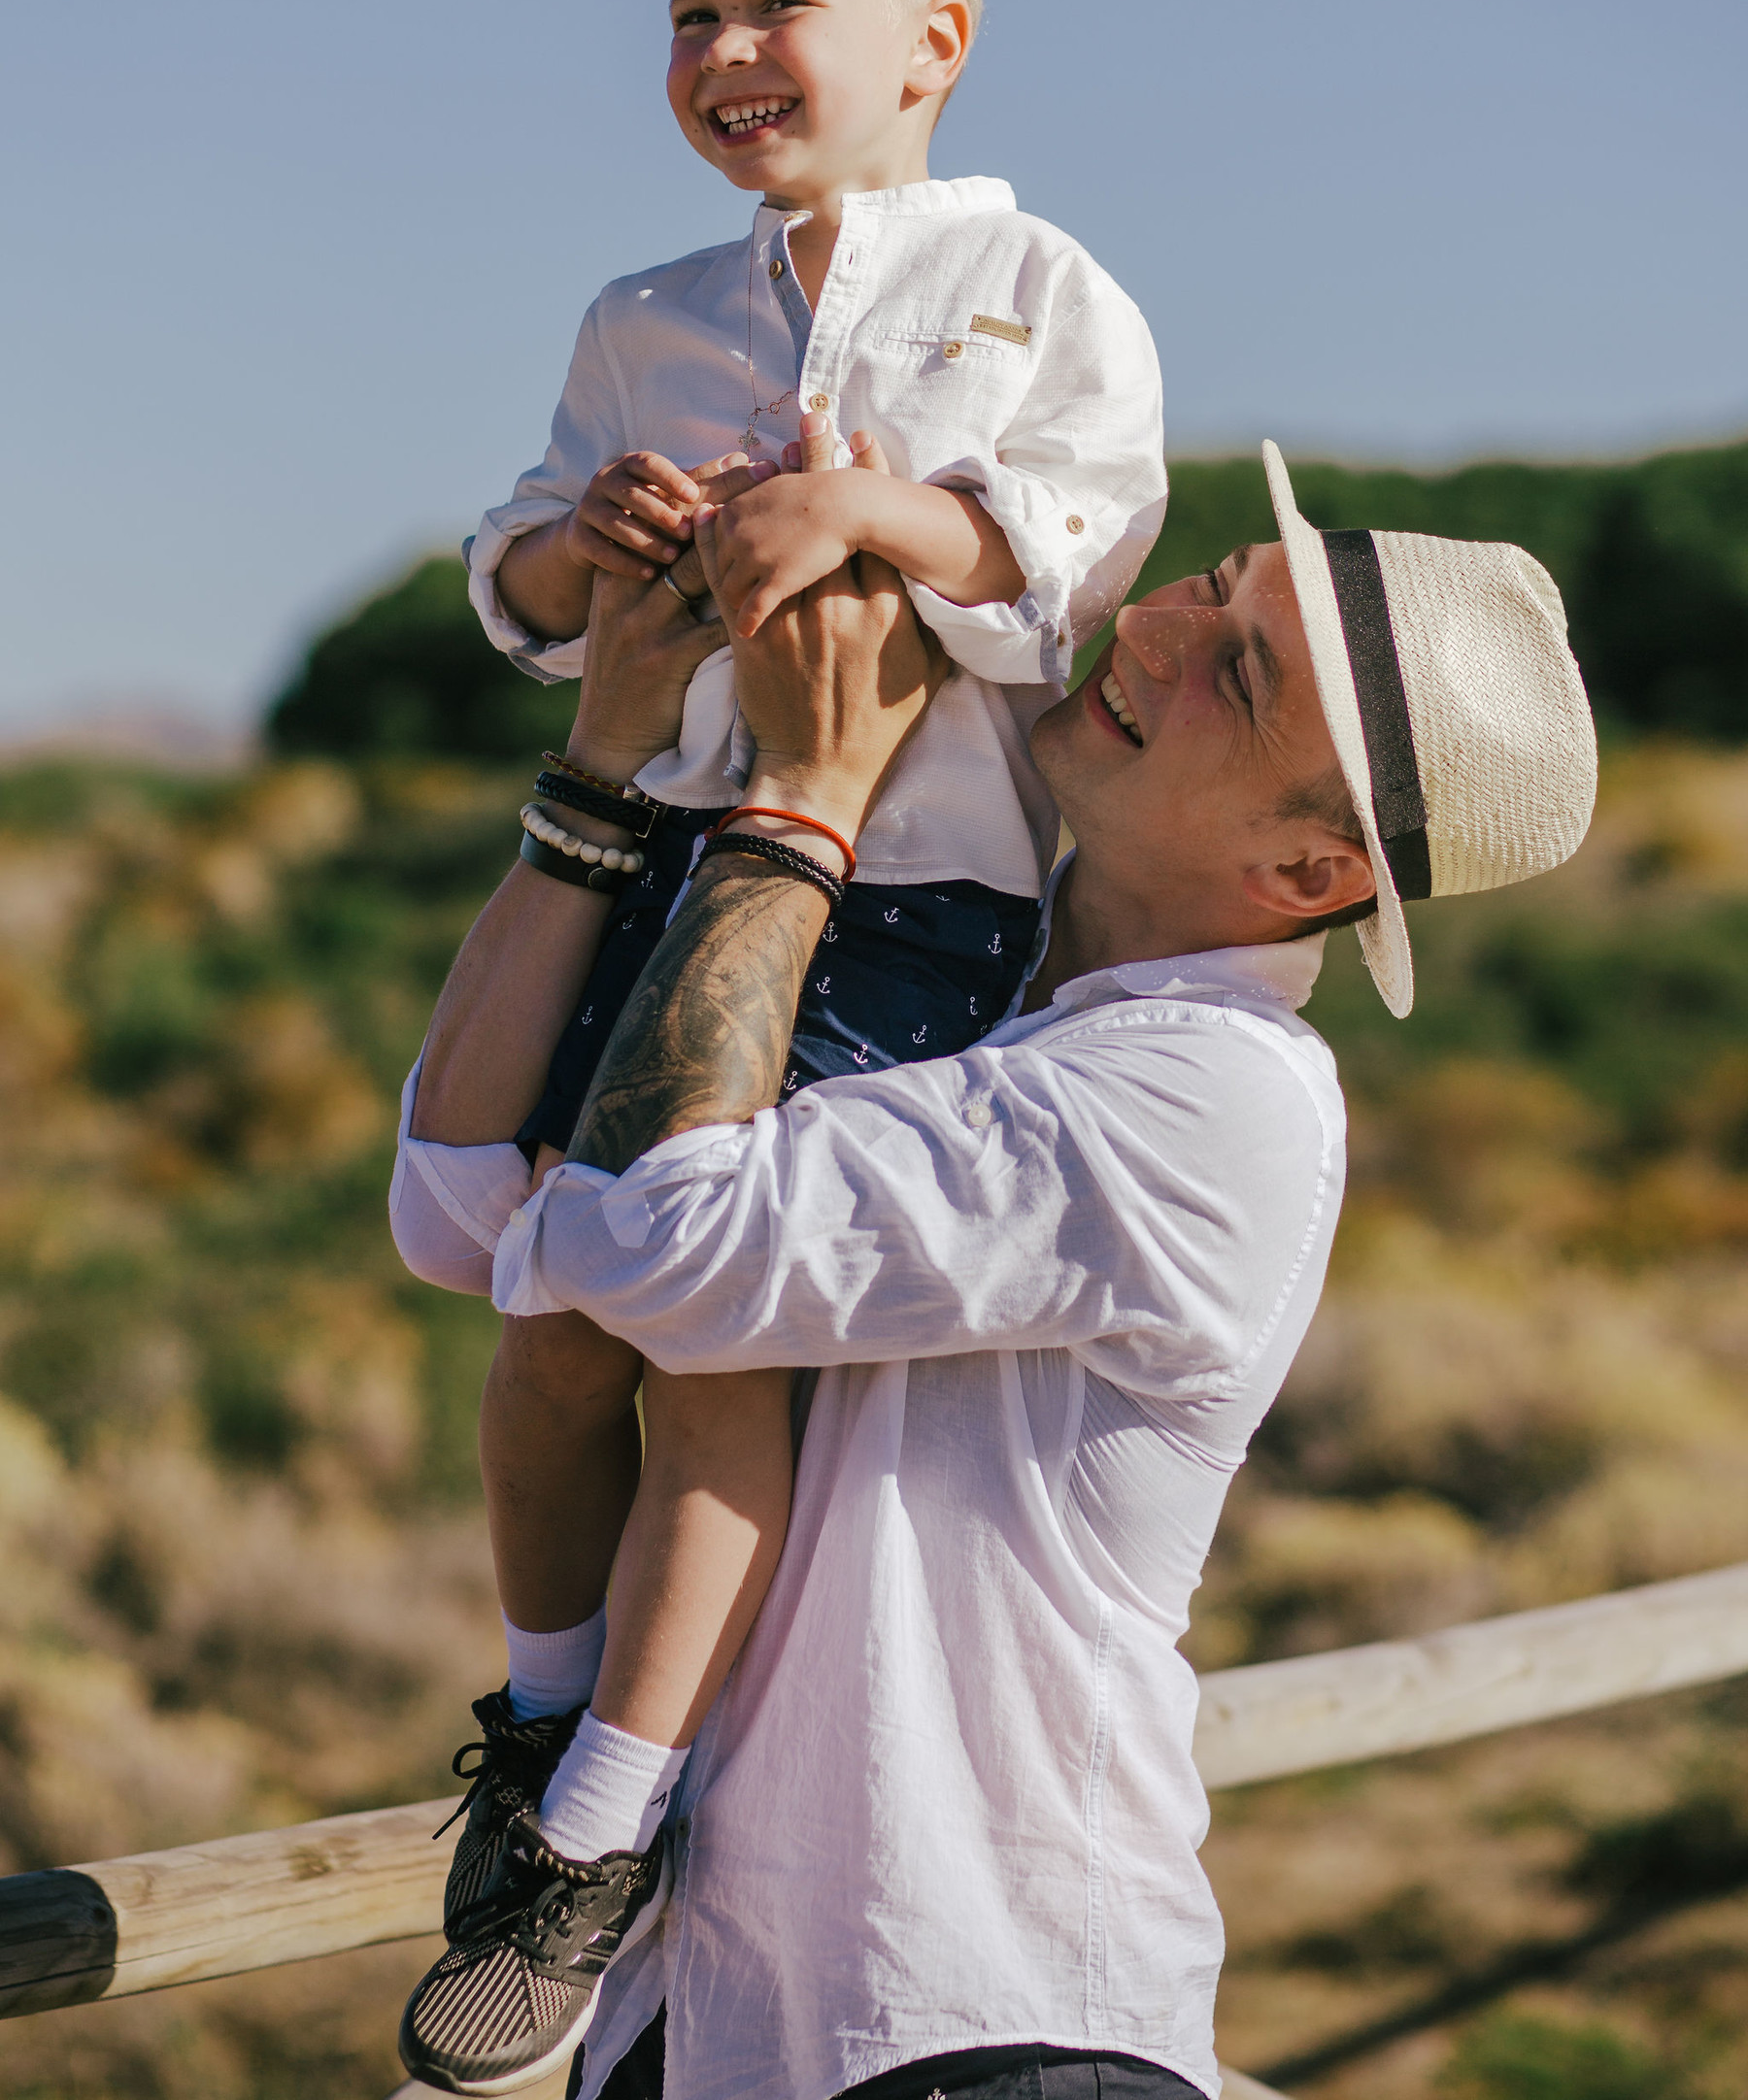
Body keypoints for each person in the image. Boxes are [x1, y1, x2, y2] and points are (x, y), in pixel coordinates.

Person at [389, 441, 1597, 2099]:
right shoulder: (987, 990)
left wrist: (802, 797)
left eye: (1233, 675)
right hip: (723, 2023)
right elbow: (460, 1209)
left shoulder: (1210, 1093)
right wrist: (608, 752)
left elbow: (640, 1240)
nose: (1156, 631)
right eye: (1215, 581)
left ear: (1315, 875)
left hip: (984, 2025)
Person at [394, 0, 1167, 2004]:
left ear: (931, 43)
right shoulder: (645, 318)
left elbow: (1071, 547)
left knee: (701, 1320)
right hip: (677, 877)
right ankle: (546, 1724)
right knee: (546, 1312)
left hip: (908, 908)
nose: (726, 48)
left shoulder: (1039, 292)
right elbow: (517, 578)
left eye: (775, 8)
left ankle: (609, 1820)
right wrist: (596, 545)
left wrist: (872, 508)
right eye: (689, 14)